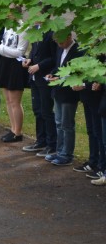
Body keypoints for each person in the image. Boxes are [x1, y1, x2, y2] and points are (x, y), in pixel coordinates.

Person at [45, 33, 83, 166]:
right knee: (58, 122)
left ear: (69, 37)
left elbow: (77, 73)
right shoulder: (60, 49)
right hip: (58, 92)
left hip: (69, 94)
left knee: (67, 124)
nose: (59, 45)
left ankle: (67, 154)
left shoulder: (78, 51)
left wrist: (60, 78)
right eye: (57, 42)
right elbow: (58, 67)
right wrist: (52, 74)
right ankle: (60, 150)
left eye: (60, 42)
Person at [0, 19, 29, 143]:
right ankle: (13, 129)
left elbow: (20, 52)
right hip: (5, 63)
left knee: (14, 101)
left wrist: (0, 48)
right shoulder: (8, 26)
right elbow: (5, 44)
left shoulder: (23, 28)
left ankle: (18, 132)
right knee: (8, 100)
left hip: (15, 66)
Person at [22, 24, 58, 154]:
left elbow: (54, 57)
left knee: (46, 111)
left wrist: (39, 66)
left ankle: (51, 144)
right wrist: (29, 59)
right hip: (34, 78)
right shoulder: (35, 30)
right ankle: (40, 140)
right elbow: (34, 50)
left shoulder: (51, 33)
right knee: (37, 110)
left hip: (45, 77)